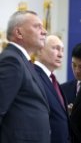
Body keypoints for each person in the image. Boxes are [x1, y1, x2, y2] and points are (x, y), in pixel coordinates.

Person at [0, 11, 50, 142]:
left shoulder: (22, 60)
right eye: (37, 26)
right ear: (19, 33)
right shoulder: (11, 60)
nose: (44, 31)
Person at [34, 34, 71, 143]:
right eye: (55, 48)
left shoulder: (53, 80)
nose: (61, 54)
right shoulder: (33, 76)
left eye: (62, 50)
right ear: (40, 50)